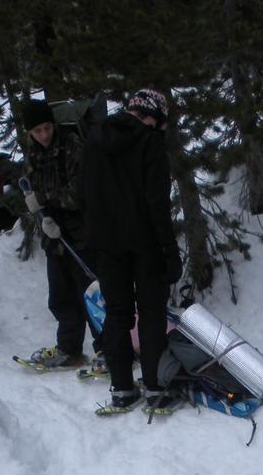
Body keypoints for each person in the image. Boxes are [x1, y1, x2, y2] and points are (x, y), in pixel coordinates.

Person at [80, 88, 181, 413]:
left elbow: (83, 193)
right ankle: (155, 388)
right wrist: (169, 249)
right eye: (162, 123)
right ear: (152, 117)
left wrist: (93, 237)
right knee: (151, 314)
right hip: (145, 243)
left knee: (117, 314)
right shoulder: (150, 143)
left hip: (106, 244)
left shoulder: (95, 139)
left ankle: (122, 388)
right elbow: (157, 202)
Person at [20, 98, 94, 370]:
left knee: (93, 296)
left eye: (46, 128)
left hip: (82, 234)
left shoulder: (72, 146)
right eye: (37, 131)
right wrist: (40, 213)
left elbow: (81, 192)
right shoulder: (32, 153)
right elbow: (31, 187)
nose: (43, 135)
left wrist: (43, 199)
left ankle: (111, 350)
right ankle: (70, 349)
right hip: (54, 237)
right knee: (61, 298)